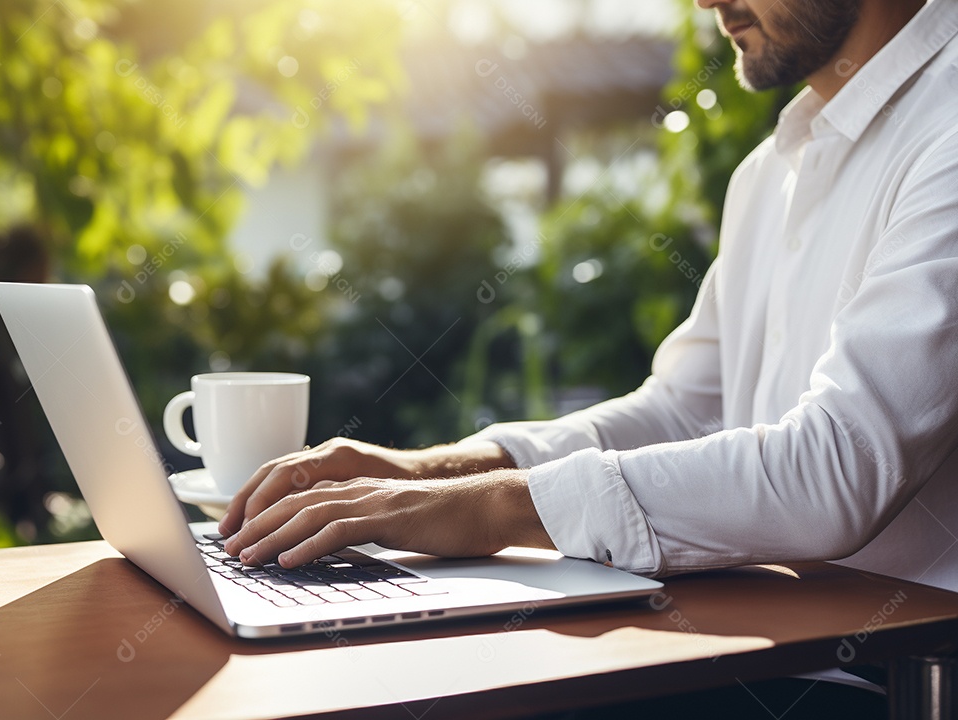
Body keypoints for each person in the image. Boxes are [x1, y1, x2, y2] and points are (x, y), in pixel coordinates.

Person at [219, 0, 958, 715]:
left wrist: (491, 510)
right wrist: (432, 473)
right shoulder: (772, 170)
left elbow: (841, 465)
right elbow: (683, 411)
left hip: (896, 678)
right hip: (776, 648)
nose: (706, 1)